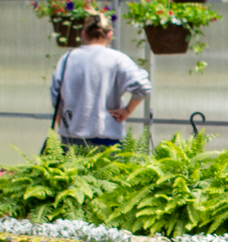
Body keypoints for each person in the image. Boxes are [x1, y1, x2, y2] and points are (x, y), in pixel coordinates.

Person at [49, 13, 152, 148]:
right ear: (109, 35)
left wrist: (60, 126)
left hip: (72, 135)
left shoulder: (68, 58)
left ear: (84, 34)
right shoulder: (117, 59)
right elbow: (143, 86)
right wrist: (127, 110)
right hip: (107, 135)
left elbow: (56, 96)